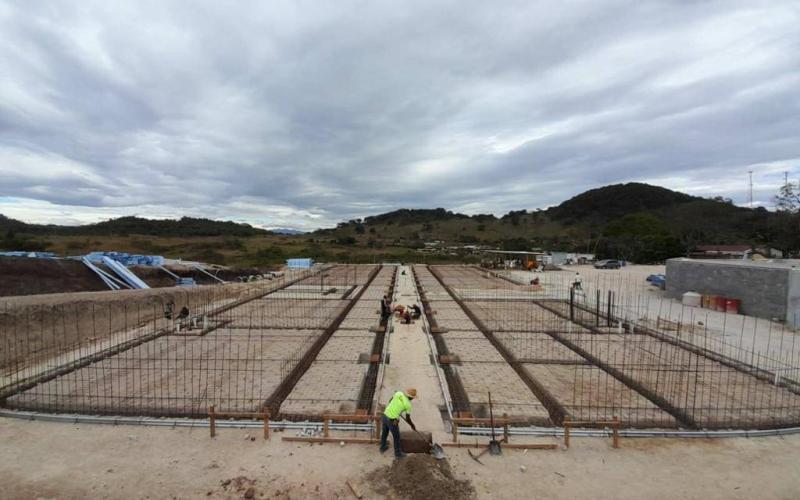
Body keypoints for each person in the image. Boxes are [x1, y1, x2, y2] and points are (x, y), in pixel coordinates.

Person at [380, 388, 417, 458]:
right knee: (396, 436)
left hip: (385, 414)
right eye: (413, 398)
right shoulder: (408, 405)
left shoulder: (399, 393)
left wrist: (396, 407)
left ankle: (382, 447)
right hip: (392, 420)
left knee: (384, 432)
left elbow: (390, 400)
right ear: (411, 397)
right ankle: (398, 454)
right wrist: (412, 425)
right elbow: (408, 418)